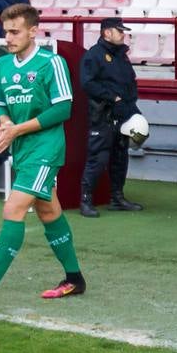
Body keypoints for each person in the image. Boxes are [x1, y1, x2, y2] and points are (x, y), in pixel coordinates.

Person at [0, 4, 85, 308]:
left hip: (45, 150)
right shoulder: (2, 65)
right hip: (22, 149)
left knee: (13, 208)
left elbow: (63, 109)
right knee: (48, 211)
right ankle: (75, 278)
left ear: (33, 31)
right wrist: (5, 122)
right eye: (6, 32)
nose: (8, 38)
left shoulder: (52, 63)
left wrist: (16, 130)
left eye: (15, 32)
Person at [77, 17, 143, 218]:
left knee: (120, 157)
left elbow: (130, 82)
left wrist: (131, 107)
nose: (123, 35)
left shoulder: (122, 55)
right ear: (107, 32)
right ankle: (86, 200)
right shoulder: (94, 55)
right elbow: (87, 83)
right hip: (103, 115)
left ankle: (117, 198)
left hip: (123, 114)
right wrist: (112, 97)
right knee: (98, 158)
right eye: (119, 31)